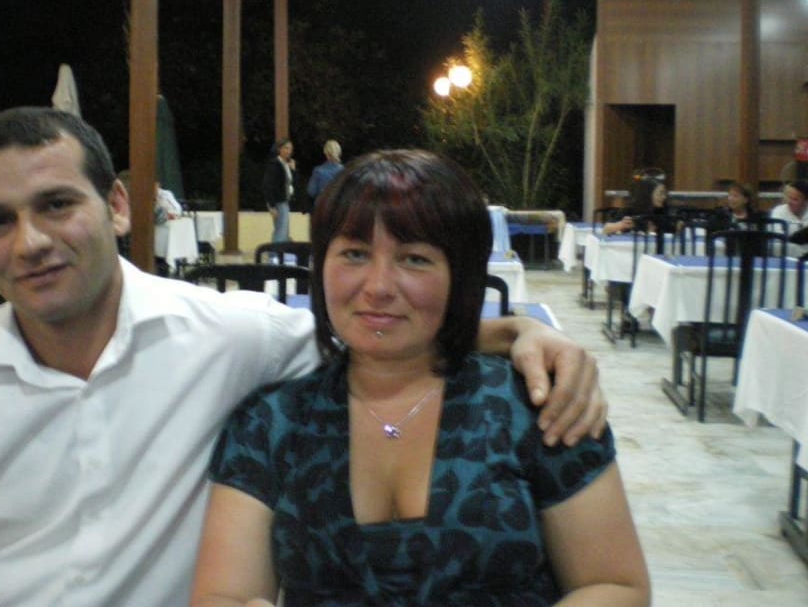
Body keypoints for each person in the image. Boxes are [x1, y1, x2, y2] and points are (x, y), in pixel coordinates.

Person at [0, 108, 607, 607]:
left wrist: (518, 333)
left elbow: (379, 330)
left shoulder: (224, 333)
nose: (30, 242)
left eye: (56, 205)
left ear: (117, 205)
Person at [191, 149, 649, 607]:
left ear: (460, 277)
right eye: (354, 253)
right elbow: (223, 594)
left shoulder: (534, 406)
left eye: (414, 259)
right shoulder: (271, 424)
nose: (378, 286)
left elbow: (615, 585)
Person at [602, 175, 669, 235]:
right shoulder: (629, 211)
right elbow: (606, 229)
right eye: (660, 193)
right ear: (648, 194)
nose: (664, 197)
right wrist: (622, 225)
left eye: (664, 193)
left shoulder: (664, 213)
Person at [263, 138, 295, 242]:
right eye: (286, 148)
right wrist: (271, 205)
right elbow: (269, 185)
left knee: (282, 230)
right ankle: (275, 251)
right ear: (279, 149)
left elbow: (291, 182)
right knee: (281, 231)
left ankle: (277, 250)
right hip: (278, 201)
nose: (288, 151)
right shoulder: (275, 164)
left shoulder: (287, 164)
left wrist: (293, 170)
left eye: (290, 148)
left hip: (285, 200)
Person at [770, 179, 808, 256]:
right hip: (785, 257)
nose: (789, 202)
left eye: (795, 199)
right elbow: (777, 241)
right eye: (789, 198)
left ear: (806, 201)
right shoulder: (778, 212)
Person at [306, 139, 344, 206]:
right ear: (339, 152)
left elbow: (311, 192)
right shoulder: (344, 171)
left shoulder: (318, 171)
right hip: (338, 206)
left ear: (326, 153)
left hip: (322, 205)